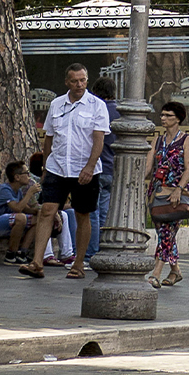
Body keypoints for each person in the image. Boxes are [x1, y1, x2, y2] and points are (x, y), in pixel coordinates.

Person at [19, 63, 111, 280]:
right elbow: (49, 137)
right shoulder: (57, 104)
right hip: (57, 166)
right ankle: (37, 262)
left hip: (84, 168)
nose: (79, 84)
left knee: (82, 214)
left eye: (83, 80)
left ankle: (79, 263)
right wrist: (44, 167)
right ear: (67, 82)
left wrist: (89, 167)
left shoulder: (96, 105)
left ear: (87, 81)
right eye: (75, 81)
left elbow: (99, 140)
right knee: (47, 210)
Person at [147, 101, 189, 289]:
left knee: (167, 232)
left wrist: (179, 189)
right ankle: (175, 270)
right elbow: (149, 166)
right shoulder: (157, 140)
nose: (163, 118)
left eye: (168, 116)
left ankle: (156, 273)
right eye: (162, 115)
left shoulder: (187, 140)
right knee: (164, 232)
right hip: (158, 190)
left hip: (177, 191)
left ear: (178, 119)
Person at [86, 78, 120, 260]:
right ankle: (105, 248)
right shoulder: (121, 112)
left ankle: (90, 252)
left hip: (97, 167)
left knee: (91, 212)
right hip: (114, 169)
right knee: (105, 213)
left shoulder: (96, 110)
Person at [0, 161, 40, 263]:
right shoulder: (4, 189)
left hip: (5, 223)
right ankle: (11, 254)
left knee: (37, 219)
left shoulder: (18, 191)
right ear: (17, 177)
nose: (29, 176)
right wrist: (29, 192)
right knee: (20, 218)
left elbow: (26, 209)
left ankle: (22, 253)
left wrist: (39, 211)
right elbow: (17, 209)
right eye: (26, 173)